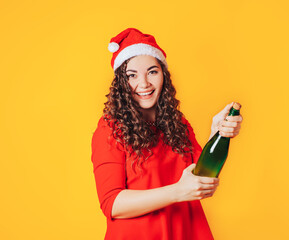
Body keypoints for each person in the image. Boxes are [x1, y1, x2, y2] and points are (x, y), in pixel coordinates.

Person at [91, 28, 243, 240]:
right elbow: (112, 203)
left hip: (185, 232)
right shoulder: (110, 130)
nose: (144, 84)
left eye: (152, 71)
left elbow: (200, 179)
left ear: (164, 75)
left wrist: (217, 134)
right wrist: (177, 192)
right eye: (132, 75)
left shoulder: (177, 122)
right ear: (121, 84)